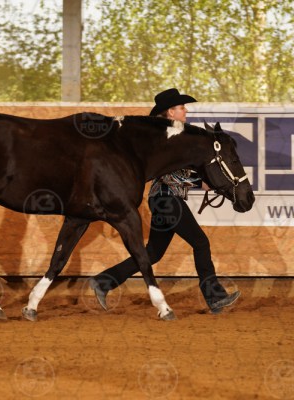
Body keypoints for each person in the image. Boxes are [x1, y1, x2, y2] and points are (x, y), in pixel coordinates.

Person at [89, 88, 240, 314]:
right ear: (170, 112)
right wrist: (198, 182)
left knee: (153, 252)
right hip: (167, 198)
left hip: (162, 199)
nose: (185, 111)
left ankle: (104, 281)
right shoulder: (168, 138)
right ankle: (215, 297)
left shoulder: (173, 136)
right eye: (181, 107)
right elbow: (167, 173)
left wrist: (201, 181)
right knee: (200, 242)